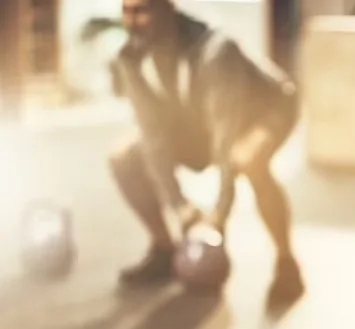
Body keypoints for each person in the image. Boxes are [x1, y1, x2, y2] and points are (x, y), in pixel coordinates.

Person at [108, 0, 302, 297]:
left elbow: (225, 135)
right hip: (196, 119)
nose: (133, 21)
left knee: (247, 158)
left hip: (265, 112)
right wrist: (180, 206)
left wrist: (218, 218)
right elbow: (153, 134)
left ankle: (287, 264)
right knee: (123, 157)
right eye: (127, 11)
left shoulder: (215, 51)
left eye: (143, 11)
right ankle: (164, 250)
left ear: (165, 10)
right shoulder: (130, 58)